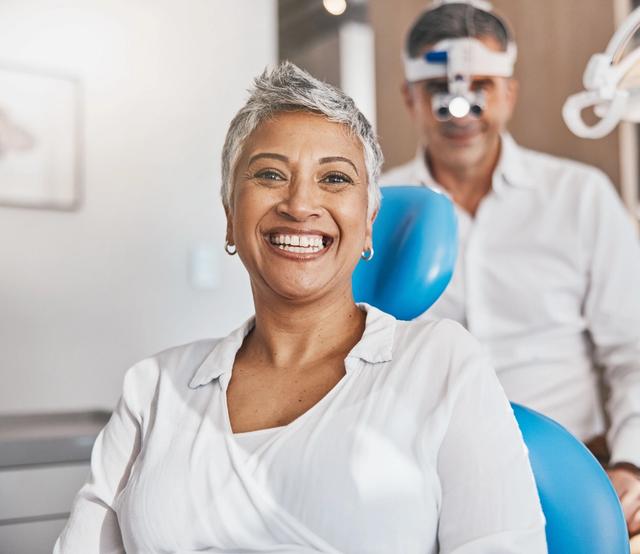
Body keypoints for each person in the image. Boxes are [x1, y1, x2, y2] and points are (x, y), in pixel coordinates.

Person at [54, 62, 546, 553]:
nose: (299, 204)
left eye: (334, 178)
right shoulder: (154, 386)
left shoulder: (441, 362)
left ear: (369, 222)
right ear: (230, 216)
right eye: (270, 174)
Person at [381, 0, 640, 536]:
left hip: (576, 474)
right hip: (422, 485)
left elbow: (634, 349)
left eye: (481, 87)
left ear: (509, 93)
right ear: (409, 97)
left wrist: (633, 463)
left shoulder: (579, 196)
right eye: (439, 90)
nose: (461, 109)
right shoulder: (376, 212)